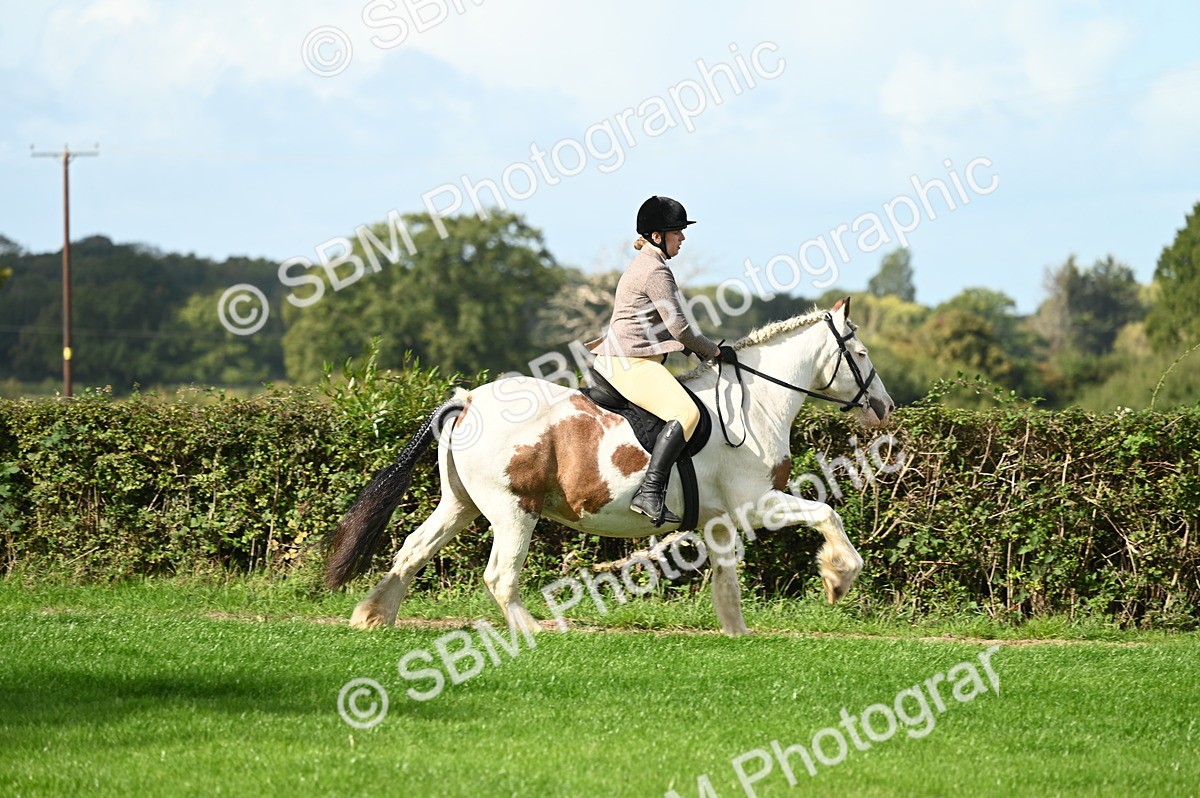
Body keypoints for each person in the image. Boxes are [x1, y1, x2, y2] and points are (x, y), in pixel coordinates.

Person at [586, 196, 733, 526]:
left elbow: (662, 327)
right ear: (657, 237)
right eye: (677, 232)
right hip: (630, 363)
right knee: (687, 412)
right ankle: (649, 492)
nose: (682, 238)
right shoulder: (655, 271)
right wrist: (715, 351)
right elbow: (679, 328)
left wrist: (694, 348)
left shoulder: (645, 265)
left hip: (627, 358)